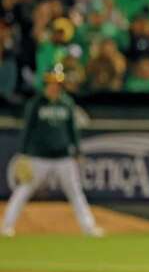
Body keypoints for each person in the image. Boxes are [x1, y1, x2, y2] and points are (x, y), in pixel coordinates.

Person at [1, 67, 103, 238]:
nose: (54, 86)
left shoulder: (66, 103)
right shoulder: (36, 103)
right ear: (46, 84)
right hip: (38, 157)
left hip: (63, 157)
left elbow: (72, 131)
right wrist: (22, 154)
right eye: (51, 83)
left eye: (57, 83)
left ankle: (88, 227)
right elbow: (27, 130)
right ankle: (6, 226)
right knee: (24, 190)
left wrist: (77, 151)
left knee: (75, 192)